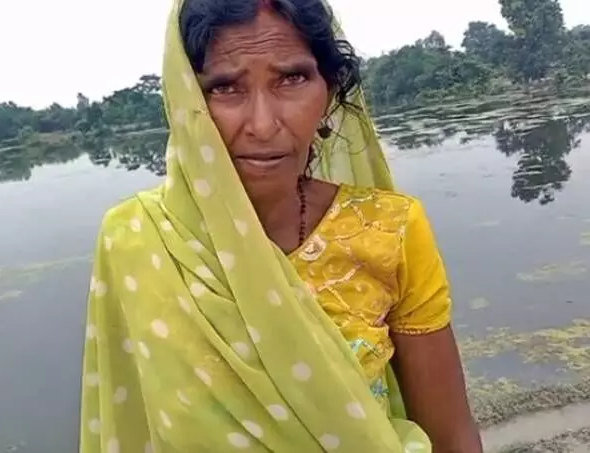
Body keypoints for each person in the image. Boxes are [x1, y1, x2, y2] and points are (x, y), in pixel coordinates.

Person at [80, 0, 483, 451]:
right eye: (225, 87)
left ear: (328, 92)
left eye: (291, 79)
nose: (263, 124)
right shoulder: (136, 239)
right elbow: (126, 423)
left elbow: (451, 434)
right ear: (185, 102)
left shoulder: (389, 230)